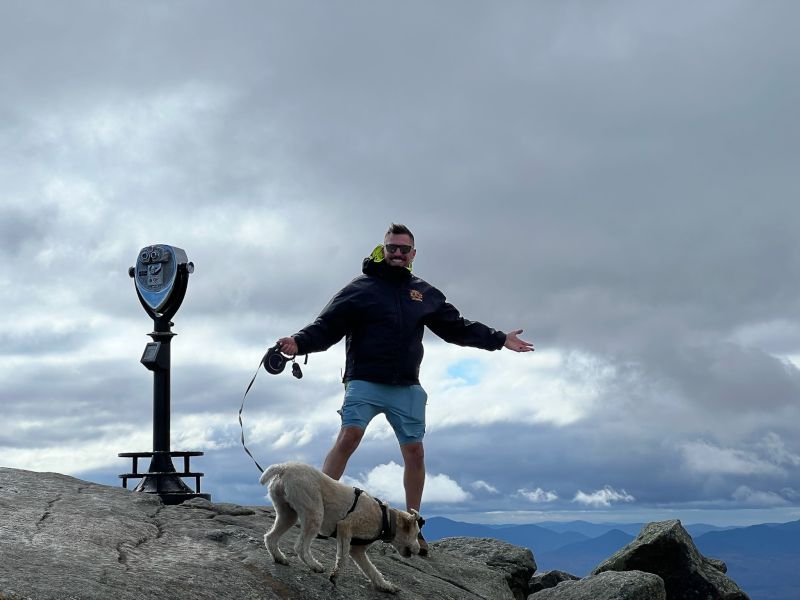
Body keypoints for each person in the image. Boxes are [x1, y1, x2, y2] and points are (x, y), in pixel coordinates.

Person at [277, 223, 533, 555]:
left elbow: (456, 327)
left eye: (403, 249)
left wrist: (499, 339)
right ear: (382, 250)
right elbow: (328, 325)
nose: (397, 253)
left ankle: (413, 524)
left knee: (415, 453)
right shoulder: (361, 289)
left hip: (406, 386)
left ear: (413, 254)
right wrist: (298, 342)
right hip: (365, 380)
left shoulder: (423, 293)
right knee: (349, 436)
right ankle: (318, 510)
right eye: (391, 248)